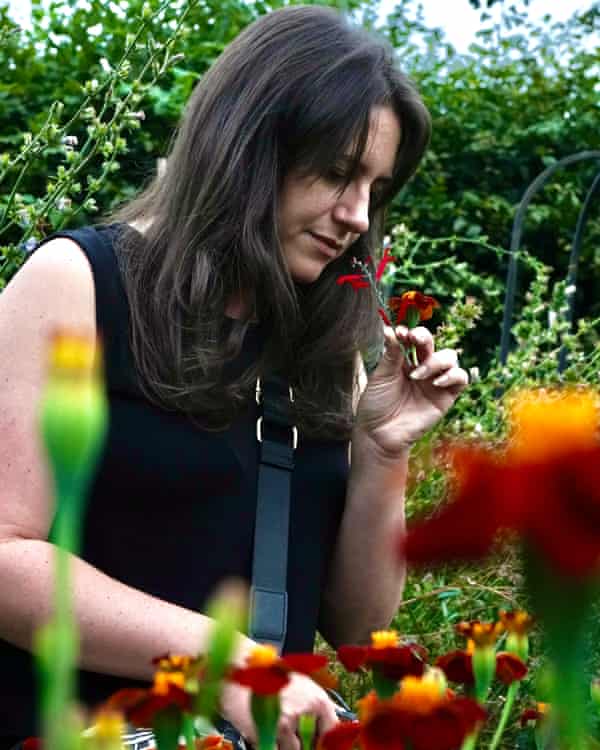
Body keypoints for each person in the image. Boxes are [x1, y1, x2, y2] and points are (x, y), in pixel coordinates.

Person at [0, 4, 468, 748]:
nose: (356, 215)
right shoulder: (79, 283)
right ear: (247, 146)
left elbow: (357, 625)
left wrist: (383, 451)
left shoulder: (325, 337)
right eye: (337, 173)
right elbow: (4, 558)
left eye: (375, 189)